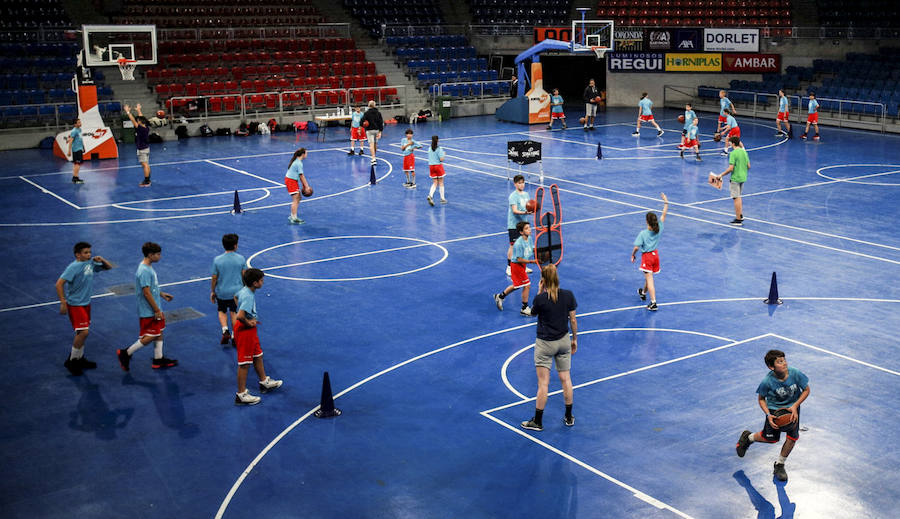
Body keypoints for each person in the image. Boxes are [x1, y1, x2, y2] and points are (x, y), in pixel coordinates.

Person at [735, 349, 810, 482]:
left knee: (792, 438)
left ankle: (780, 464)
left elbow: (806, 390)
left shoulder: (795, 373)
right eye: (780, 362)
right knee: (771, 439)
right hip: (775, 412)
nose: (784, 363)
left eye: (784, 360)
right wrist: (768, 414)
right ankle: (748, 437)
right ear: (771, 367)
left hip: (793, 409)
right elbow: (761, 399)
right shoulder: (767, 382)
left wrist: (795, 406)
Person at [520, 264, 577, 431]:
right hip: (564, 341)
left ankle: (537, 421)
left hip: (545, 344)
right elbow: (573, 320)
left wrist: (539, 292)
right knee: (566, 379)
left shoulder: (540, 299)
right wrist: (575, 339)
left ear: (543, 280)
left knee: (543, 384)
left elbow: (533, 313)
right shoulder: (568, 295)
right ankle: (568, 417)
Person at [116, 242, 178, 371]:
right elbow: (146, 292)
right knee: (153, 335)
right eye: (158, 254)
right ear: (150, 255)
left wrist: (161, 294)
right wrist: (156, 309)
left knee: (159, 332)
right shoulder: (144, 270)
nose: (160, 257)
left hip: (155, 306)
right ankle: (126, 353)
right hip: (149, 310)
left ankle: (158, 359)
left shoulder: (148, 267)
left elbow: (152, 287)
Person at [55, 241, 112, 375]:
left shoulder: (90, 263)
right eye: (86, 253)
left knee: (80, 333)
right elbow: (58, 284)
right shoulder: (73, 267)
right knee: (84, 333)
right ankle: (72, 361)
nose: (89, 255)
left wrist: (101, 259)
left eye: (89, 252)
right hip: (75, 304)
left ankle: (79, 358)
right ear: (77, 255)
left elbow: (108, 267)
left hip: (86, 303)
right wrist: (63, 302)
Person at [232, 268, 283, 405]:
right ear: (255, 283)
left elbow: (235, 297)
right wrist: (248, 321)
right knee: (244, 363)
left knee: (257, 355)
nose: (263, 282)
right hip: (245, 330)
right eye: (261, 280)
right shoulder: (248, 296)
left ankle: (264, 381)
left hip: (249, 330)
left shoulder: (244, 290)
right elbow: (240, 316)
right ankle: (241, 394)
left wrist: (247, 316)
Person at [631, 193, 668, 311]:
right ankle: (643, 292)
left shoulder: (643, 234)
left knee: (650, 279)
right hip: (656, 256)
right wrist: (666, 201)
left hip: (647, 257)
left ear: (647, 222)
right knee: (649, 276)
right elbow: (664, 214)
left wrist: (633, 255)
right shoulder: (660, 227)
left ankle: (653, 303)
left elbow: (636, 247)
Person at [211, 233, 247, 346]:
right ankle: (235, 335)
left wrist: (213, 291)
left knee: (222, 311)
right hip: (237, 292)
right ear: (235, 245)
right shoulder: (241, 259)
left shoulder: (217, 260)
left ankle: (225, 329)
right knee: (234, 312)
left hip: (222, 291)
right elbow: (244, 275)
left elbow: (214, 278)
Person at [494, 221, 537, 316]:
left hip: (522, 265)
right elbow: (519, 259)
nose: (530, 229)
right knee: (527, 285)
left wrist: (540, 252)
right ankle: (524, 308)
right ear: (521, 232)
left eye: (529, 227)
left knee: (517, 285)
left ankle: (500, 296)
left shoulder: (529, 238)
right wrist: (532, 261)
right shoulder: (518, 244)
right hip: (517, 265)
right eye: (526, 228)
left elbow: (532, 248)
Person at [714, 136, 749, 226]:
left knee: (735, 198)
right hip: (743, 177)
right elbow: (748, 166)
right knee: (738, 197)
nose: (729, 144)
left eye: (730, 142)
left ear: (733, 143)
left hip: (735, 178)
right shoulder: (744, 152)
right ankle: (740, 215)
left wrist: (721, 175)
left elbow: (731, 168)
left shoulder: (733, 153)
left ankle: (738, 220)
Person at [506, 174, 533, 276]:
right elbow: (515, 210)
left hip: (524, 225)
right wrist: (526, 213)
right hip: (514, 225)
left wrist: (531, 210)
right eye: (519, 183)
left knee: (523, 246)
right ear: (515, 184)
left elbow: (528, 207)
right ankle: (509, 268)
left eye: (523, 183)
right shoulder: (513, 196)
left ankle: (523, 267)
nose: (522, 185)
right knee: (513, 247)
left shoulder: (526, 195)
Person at [124, 104, 152, 187]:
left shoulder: (140, 128)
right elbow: (142, 118)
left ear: (140, 122)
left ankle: (147, 181)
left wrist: (128, 111)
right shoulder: (146, 127)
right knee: (146, 163)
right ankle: (148, 179)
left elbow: (132, 120)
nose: (137, 120)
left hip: (142, 149)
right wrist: (139, 110)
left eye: (138, 120)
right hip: (146, 148)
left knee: (145, 164)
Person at [284, 148, 307, 224]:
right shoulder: (299, 163)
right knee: (296, 200)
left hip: (292, 180)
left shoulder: (297, 161)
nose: (307, 155)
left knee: (298, 198)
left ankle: (293, 215)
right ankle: (293, 218)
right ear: (303, 154)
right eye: (306, 153)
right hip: (291, 181)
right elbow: (301, 176)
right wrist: (306, 186)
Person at [361, 100, 384, 165]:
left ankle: (373, 158)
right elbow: (381, 123)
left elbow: (361, 121)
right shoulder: (378, 113)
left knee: (371, 144)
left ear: (368, 105)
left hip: (369, 130)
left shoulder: (366, 113)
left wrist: (363, 125)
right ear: (374, 105)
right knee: (375, 144)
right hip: (376, 130)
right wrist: (380, 131)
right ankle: (374, 156)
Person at [426, 135, 446, 206]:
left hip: (431, 166)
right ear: (437, 140)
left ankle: (430, 195)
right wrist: (444, 154)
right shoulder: (439, 148)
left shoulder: (429, 148)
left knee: (435, 183)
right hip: (438, 166)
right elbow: (441, 159)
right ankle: (442, 199)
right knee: (441, 182)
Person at [66, 118, 87, 184]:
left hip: (80, 149)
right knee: (77, 164)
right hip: (76, 149)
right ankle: (75, 178)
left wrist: (83, 147)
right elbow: (71, 141)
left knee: (77, 164)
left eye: (80, 122)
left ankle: (75, 177)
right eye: (78, 122)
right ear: (75, 124)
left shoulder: (79, 130)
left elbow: (80, 139)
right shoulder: (74, 131)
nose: (80, 123)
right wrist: (69, 151)